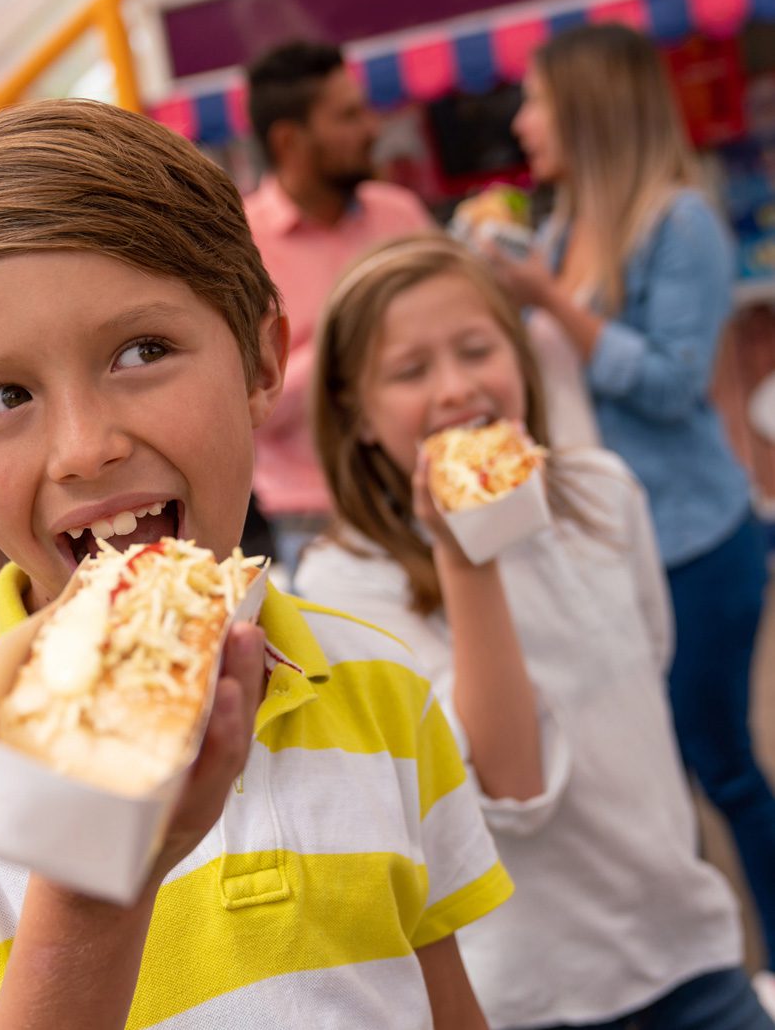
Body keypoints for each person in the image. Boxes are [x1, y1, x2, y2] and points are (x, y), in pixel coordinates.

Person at [0, 100, 511, 1029]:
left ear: (260, 364)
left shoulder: (384, 689)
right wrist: (91, 888)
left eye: (141, 351)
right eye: (4, 395)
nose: (84, 448)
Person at [296, 233, 775, 1030]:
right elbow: (510, 788)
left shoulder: (602, 494)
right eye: (411, 371)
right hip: (531, 990)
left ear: (518, 357)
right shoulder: (345, 583)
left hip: (684, 946)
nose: (454, 389)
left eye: (477, 350)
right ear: (357, 413)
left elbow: (648, 668)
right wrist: (465, 556)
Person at [485, 22, 775, 982]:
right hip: (614, 541)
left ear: (588, 109)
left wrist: (548, 298)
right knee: (659, 770)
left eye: (535, 100)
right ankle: (696, 959)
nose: (522, 122)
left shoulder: (676, 221)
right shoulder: (566, 223)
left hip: (693, 540)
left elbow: (672, 381)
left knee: (719, 767)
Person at [243, 40, 435, 575]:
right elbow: (248, 410)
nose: (372, 128)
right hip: (318, 524)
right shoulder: (237, 248)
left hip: (433, 494)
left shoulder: (400, 215)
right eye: (348, 116)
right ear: (289, 140)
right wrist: (344, 331)